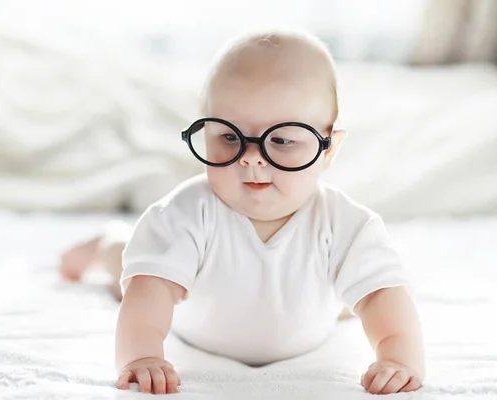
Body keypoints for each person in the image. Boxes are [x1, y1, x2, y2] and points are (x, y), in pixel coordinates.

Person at [59, 28, 425, 395]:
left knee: (356, 294)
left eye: (281, 139)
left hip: (309, 319)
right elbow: (147, 292)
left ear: (328, 149)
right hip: (186, 309)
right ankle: (107, 241)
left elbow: (383, 297)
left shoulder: (347, 225)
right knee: (128, 267)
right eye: (230, 137)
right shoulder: (184, 214)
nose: (251, 158)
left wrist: (397, 358)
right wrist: (141, 357)